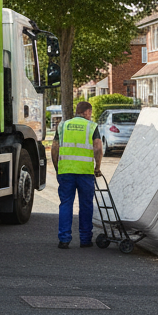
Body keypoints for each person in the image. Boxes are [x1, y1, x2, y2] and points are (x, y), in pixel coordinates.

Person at [53, 101, 104, 249]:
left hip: (66, 172)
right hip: (85, 172)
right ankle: (85, 239)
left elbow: (55, 148)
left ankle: (64, 239)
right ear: (87, 112)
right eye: (90, 112)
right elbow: (98, 148)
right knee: (86, 205)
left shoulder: (63, 125)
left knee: (66, 204)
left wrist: (57, 167)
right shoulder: (91, 126)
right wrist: (98, 167)